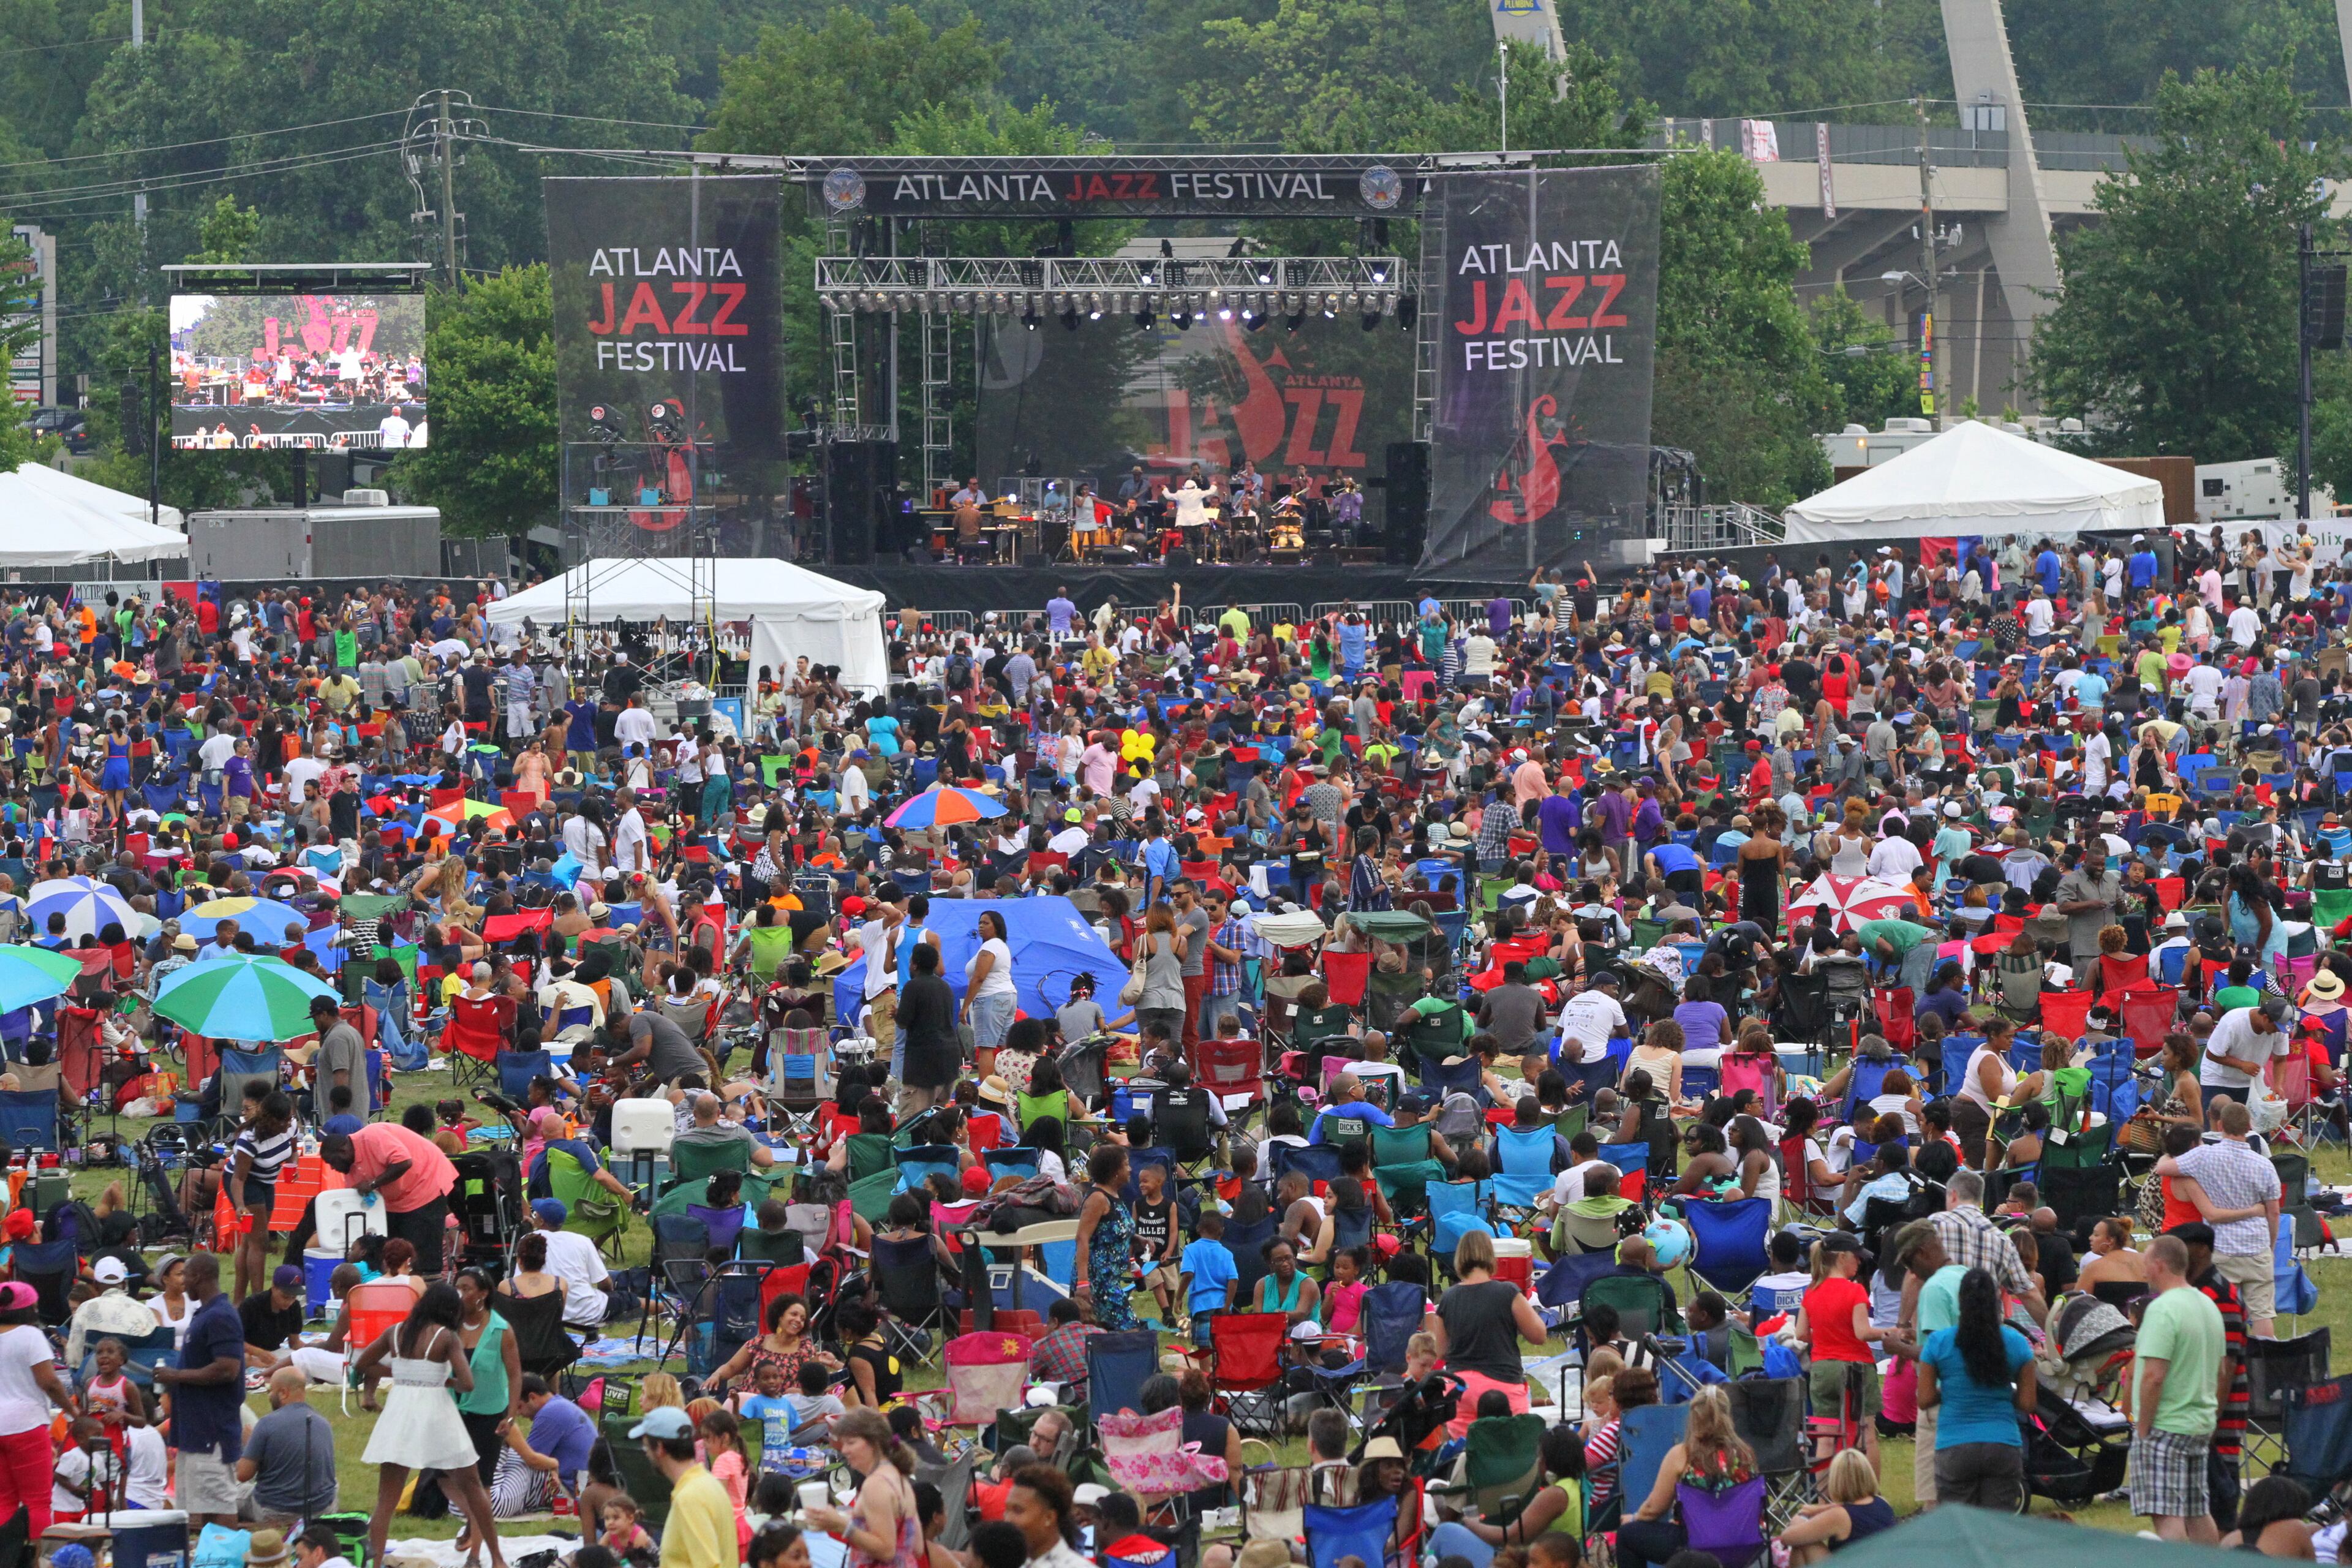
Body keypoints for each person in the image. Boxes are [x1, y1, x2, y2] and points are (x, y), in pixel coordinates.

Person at [352, 1282, 507, 1568]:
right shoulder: (446, 1337)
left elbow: (361, 1364)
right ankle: (497, 1559)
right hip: (437, 1413)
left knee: (385, 1502)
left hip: (400, 1413)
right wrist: (445, 1380)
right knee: (474, 1486)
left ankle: (373, 1565)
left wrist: (400, 1371)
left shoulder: (395, 1332)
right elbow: (467, 1384)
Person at [2155, 1098, 2283, 1336]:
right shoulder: (2265, 1165)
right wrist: (2271, 1246)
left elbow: (2163, 1169)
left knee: (2220, 1310)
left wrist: (2169, 1154)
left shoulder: (2205, 1155)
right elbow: (2274, 1212)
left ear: (2220, 1125)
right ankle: (2266, 1357)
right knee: (2263, 1314)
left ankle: (2224, 1354)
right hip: (2257, 1246)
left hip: (2223, 1247)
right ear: (2249, 1127)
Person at [2130, 1234, 2227, 1544]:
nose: (2143, 1269)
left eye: (2146, 1261)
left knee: (2167, 1514)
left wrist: (2143, 1428)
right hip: (2199, 1423)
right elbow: (2221, 1369)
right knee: (2198, 1511)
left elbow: (2154, 1376)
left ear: (2160, 1264)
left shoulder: (2162, 1309)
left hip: (2165, 1425)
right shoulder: (2208, 1305)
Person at [1916, 1266, 2035, 1511]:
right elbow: (2027, 1403)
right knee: (1995, 1526)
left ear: (1960, 1301)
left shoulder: (1938, 1343)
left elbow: (1925, 1399)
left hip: (1955, 1445)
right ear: (1996, 1300)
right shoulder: (2017, 1344)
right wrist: (2004, 1394)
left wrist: (1949, 1391)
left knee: (1959, 1526)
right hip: (2003, 1444)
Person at [1614, 1386, 1757, 1568]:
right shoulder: (1745, 1454)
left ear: (1693, 1417)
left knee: (1627, 1535)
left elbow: (1653, 1509)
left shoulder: (1683, 1454)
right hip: (1742, 1542)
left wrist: (1634, 1518)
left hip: (1695, 1543)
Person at [1430, 1231, 1549, 1431]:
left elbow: (1441, 1351)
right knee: (1508, 1446)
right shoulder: (1507, 1292)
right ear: (1492, 1257)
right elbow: (1539, 1335)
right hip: (1503, 1385)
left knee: (1465, 1448)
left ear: (1460, 1258)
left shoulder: (1448, 1297)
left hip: (1461, 1388)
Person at [155, 1254, 242, 1528]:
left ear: (199, 1277)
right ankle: (206, 1550)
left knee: (218, 1502)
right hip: (194, 1430)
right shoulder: (204, 1314)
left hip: (212, 1429)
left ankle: (225, 1551)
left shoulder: (221, 1316)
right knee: (198, 1505)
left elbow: (228, 1369)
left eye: (187, 1275)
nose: (184, 1283)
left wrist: (176, 1376)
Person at [1426, 1422, 1585, 1566]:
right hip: (1548, 1555)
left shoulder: (1555, 1495)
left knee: (1445, 1531)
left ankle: (1425, 1560)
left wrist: (1471, 1523)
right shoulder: (1574, 1485)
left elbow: (1510, 1537)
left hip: (1525, 1559)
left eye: (1540, 1456)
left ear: (1550, 1460)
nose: (1538, 1461)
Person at [317, 1122, 459, 1275]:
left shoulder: (372, 1137)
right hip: (396, 1201)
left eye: (332, 1162)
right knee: (393, 1252)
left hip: (427, 1182)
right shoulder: (350, 1169)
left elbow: (404, 1162)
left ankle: (424, 1284)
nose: (332, 1168)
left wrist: (373, 1184)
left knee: (421, 1255)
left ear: (344, 1151)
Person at [802, 1408, 924, 1568]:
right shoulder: (900, 1479)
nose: (844, 1450)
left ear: (874, 1443)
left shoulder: (875, 1484)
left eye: (851, 1443)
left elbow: (887, 1551)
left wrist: (842, 1526)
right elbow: (917, 1547)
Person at [634, 1404, 738, 1568]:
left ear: (660, 1448)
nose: (646, 1453)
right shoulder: (709, 1483)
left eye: (647, 1446)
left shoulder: (689, 1498)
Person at [237, 1366, 339, 1520]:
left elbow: (243, 1475)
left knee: (229, 1490)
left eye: (271, 1391)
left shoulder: (266, 1424)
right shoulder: (323, 1423)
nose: (269, 1396)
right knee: (335, 1483)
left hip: (273, 1511)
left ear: (283, 1393)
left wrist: (249, 1445)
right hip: (323, 1510)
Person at [1774, 1449, 1895, 1564]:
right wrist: (1821, 1509)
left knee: (1801, 1539)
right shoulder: (1882, 1502)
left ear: (1836, 1481)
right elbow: (1857, 1510)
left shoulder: (1840, 1516)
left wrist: (1799, 1519)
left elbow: (1786, 1538)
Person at [1071, 1144, 1138, 1329]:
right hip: (1097, 1279)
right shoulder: (1098, 1199)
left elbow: (1111, 1230)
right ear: (1114, 1171)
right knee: (1129, 1328)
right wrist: (1083, 1283)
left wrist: (1137, 1239)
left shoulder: (1113, 1194)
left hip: (1110, 1277)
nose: (1130, 1169)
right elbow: (1082, 1238)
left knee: (1104, 1331)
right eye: (1126, 1165)